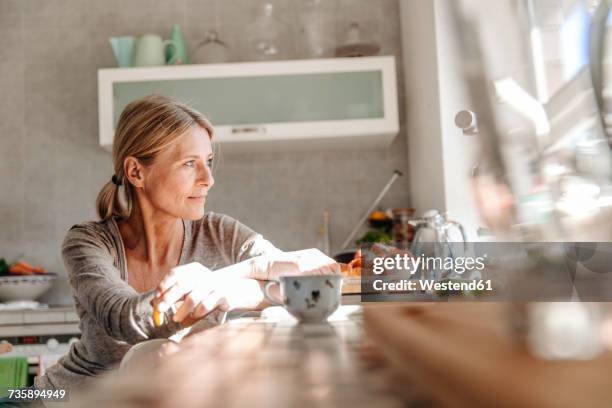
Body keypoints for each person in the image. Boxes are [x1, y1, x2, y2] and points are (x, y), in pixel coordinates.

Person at [32, 94, 339, 397]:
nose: (208, 179)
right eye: (190, 163)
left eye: (208, 161)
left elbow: (305, 287)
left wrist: (224, 288)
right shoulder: (88, 242)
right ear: (136, 172)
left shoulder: (220, 232)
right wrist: (253, 271)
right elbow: (125, 318)